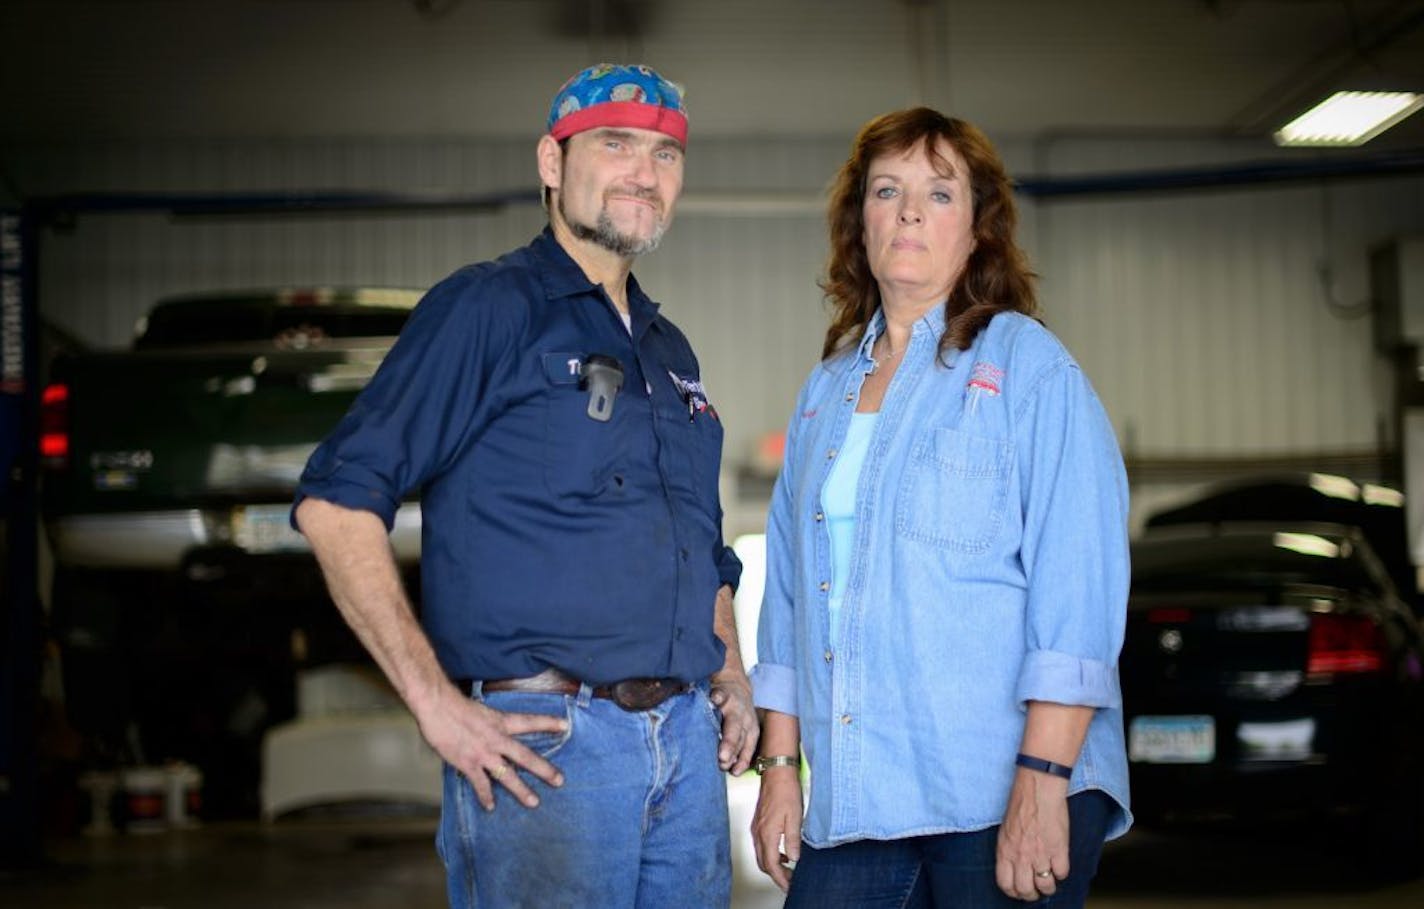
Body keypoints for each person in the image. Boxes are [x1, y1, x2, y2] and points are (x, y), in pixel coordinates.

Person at [292, 63, 758, 909]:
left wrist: (731, 673)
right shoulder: (486, 309)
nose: (643, 173)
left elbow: (695, 532)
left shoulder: (668, 350)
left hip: (687, 753)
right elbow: (336, 505)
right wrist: (435, 705)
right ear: (552, 163)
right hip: (551, 752)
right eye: (615, 145)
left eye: (664, 153)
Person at [748, 107, 1131, 907]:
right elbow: (786, 600)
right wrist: (781, 768)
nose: (911, 211)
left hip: (1001, 787)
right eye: (887, 190)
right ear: (862, 224)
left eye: (940, 192)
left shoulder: (1029, 369)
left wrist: (1043, 776)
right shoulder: (823, 396)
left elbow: (1079, 592)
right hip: (860, 800)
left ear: (978, 229)